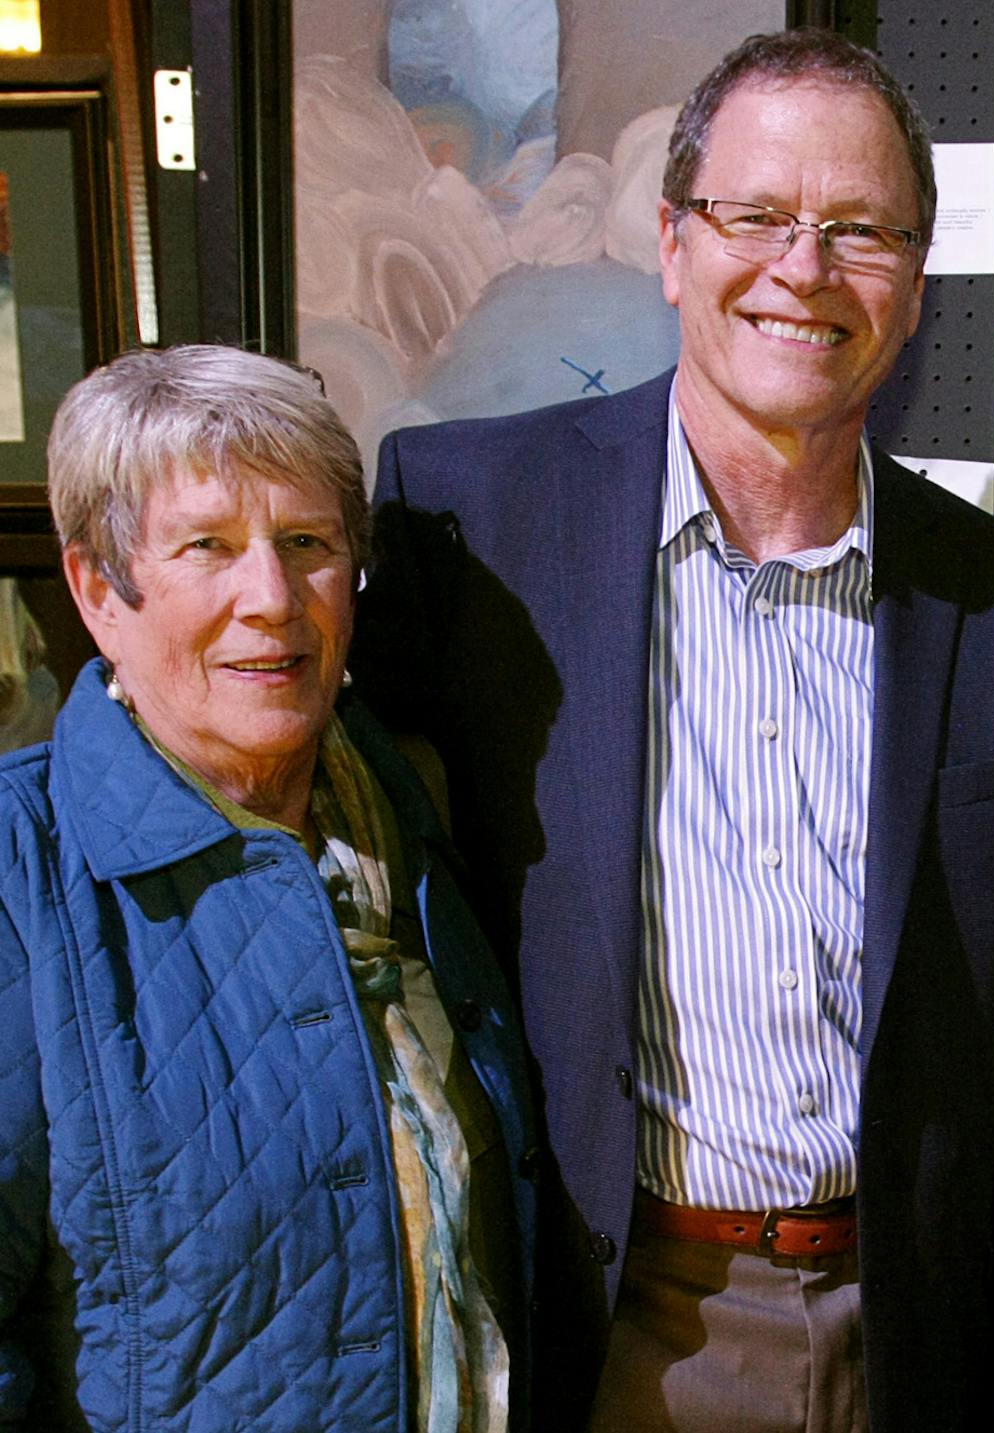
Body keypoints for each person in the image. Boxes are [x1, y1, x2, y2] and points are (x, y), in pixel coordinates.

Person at [354, 27, 994, 1432]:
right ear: (673, 242)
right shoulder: (468, 534)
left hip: (914, 1337)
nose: (803, 270)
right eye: (756, 216)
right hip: (604, 1327)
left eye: (859, 230)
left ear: (915, 276)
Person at [0, 345, 536, 1430]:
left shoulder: (414, 816)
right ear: (99, 588)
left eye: (307, 543)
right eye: (208, 547)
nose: (272, 599)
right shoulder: (21, 867)